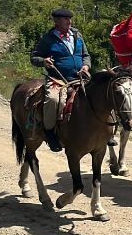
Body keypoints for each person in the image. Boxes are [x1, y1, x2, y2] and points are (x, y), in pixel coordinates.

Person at [30, 8, 91, 152]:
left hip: (80, 77)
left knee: (101, 94)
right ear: (56, 21)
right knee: (53, 100)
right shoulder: (48, 38)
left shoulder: (77, 35)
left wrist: (86, 66)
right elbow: (34, 57)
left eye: (70, 19)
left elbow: (86, 55)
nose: (69, 21)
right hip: (58, 79)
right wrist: (44, 61)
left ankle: (106, 132)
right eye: (65, 19)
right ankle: (50, 132)